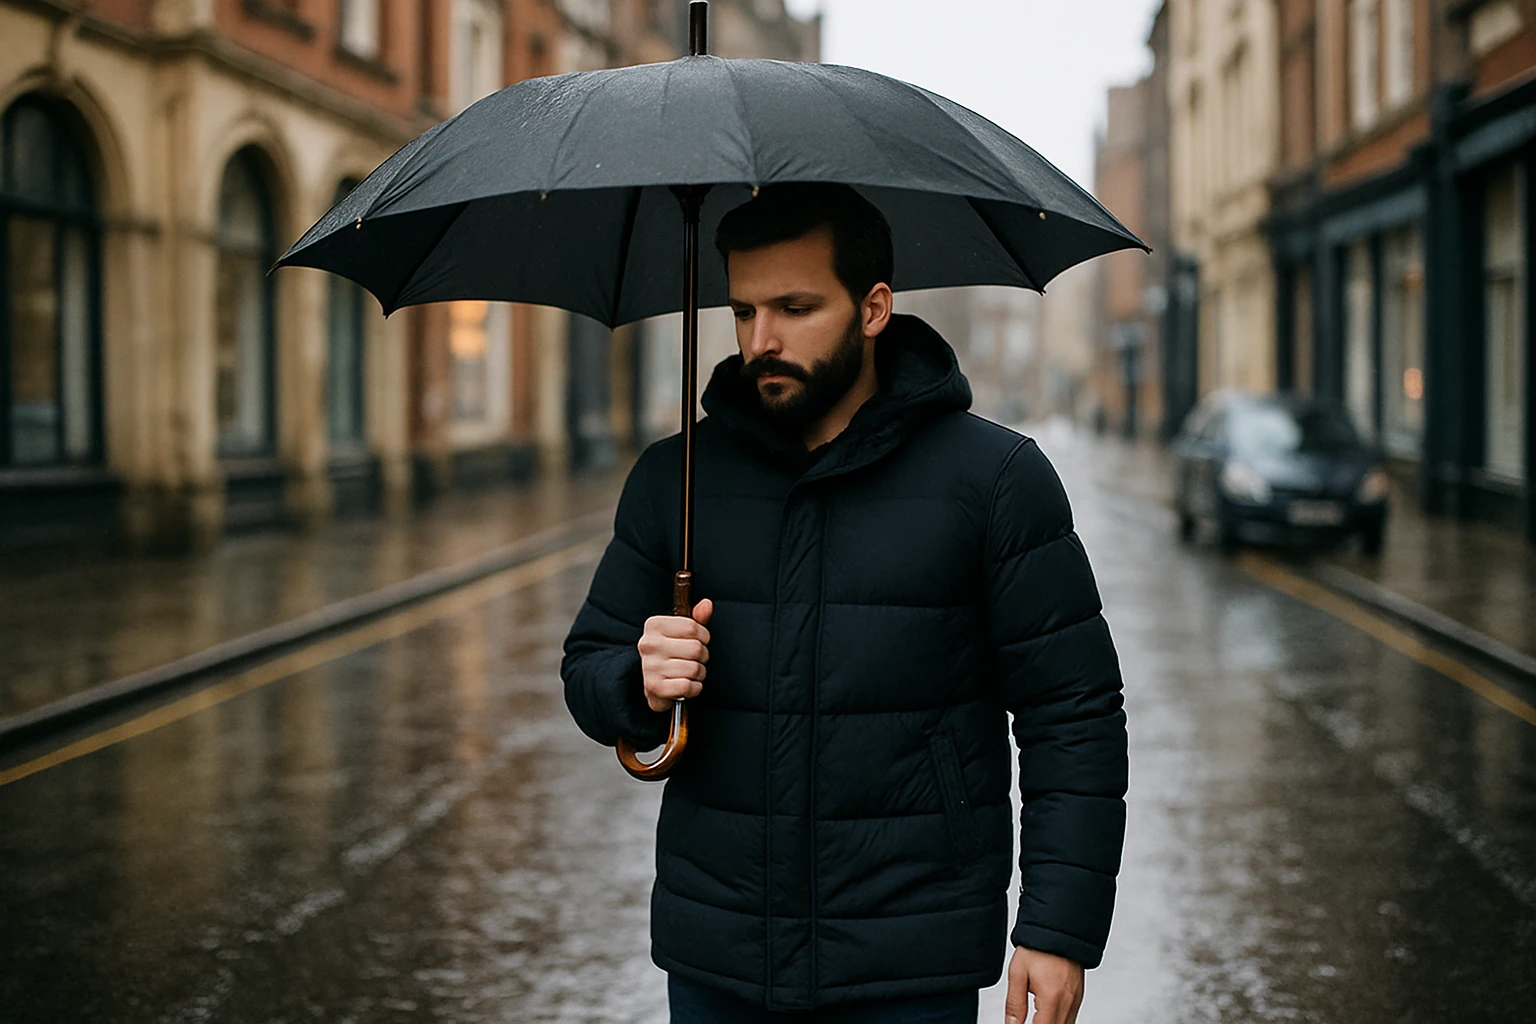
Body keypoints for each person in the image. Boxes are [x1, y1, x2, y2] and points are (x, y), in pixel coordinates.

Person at [562, 183, 1127, 1024]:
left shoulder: (996, 480)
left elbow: (1072, 711)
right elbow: (588, 669)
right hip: (720, 955)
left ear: (873, 308)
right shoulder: (676, 481)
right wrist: (636, 681)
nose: (763, 340)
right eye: (744, 310)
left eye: (795, 308)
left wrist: (1058, 931)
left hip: (907, 959)